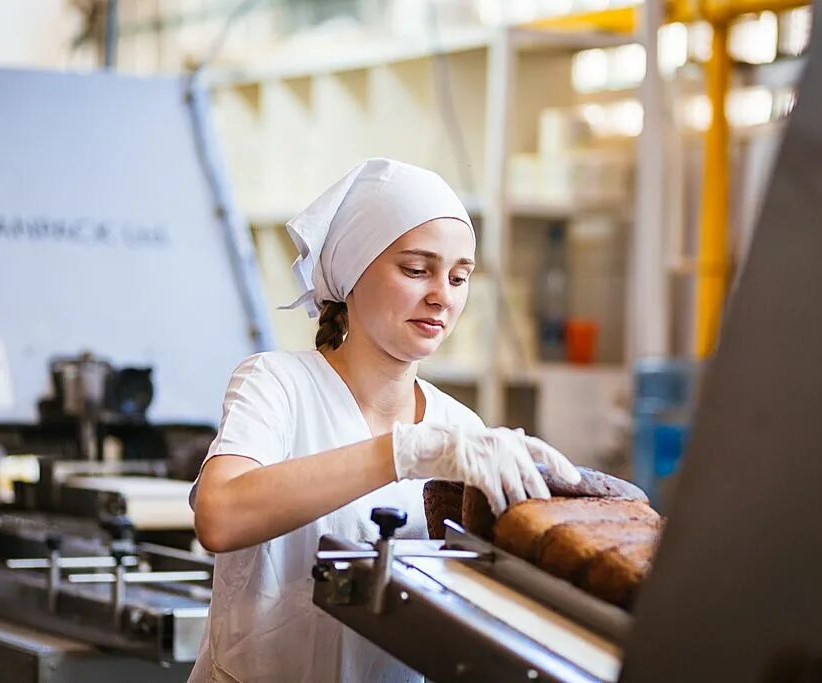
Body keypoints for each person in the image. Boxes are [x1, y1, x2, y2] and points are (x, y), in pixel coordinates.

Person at [189, 158, 580, 682]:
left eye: (460, 276)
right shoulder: (277, 383)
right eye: (417, 270)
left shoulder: (457, 425)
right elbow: (220, 517)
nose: (442, 295)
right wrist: (405, 453)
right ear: (353, 271)